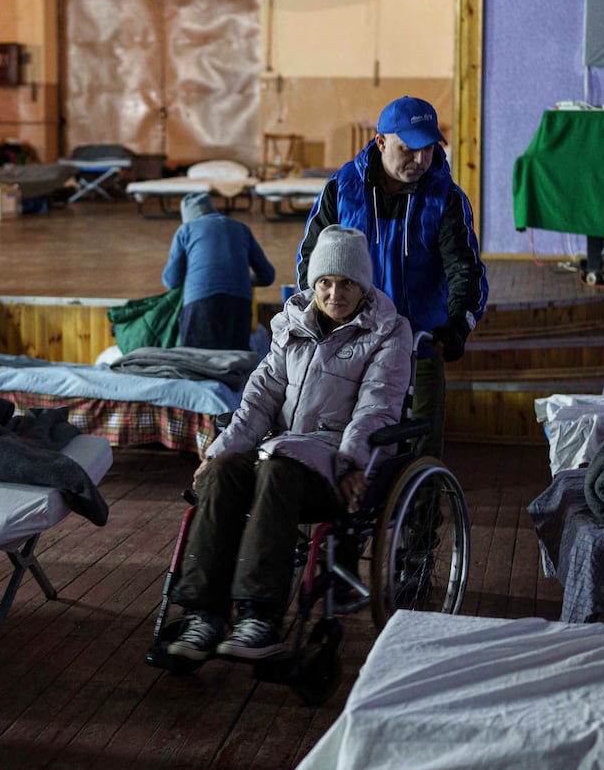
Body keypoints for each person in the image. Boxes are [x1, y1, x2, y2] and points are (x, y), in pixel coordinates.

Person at [165, 226, 412, 662]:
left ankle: (259, 616)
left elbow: (376, 409)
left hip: (334, 464)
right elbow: (258, 400)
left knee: (276, 471)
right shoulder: (290, 327)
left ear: (363, 286)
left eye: (347, 283)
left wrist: (352, 462)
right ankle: (203, 613)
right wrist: (218, 451)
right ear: (313, 285)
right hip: (279, 451)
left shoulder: (388, 333)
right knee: (224, 473)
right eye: (325, 283)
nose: (335, 293)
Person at [296, 96, 486, 459]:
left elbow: (465, 269)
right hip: (352, 342)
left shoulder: (445, 199)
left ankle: (420, 514)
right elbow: (311, 261)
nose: (421, 160)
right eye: (409, 149)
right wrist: (321, 316)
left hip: (420, 344)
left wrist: (458, 323)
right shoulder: (342, 190)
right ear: (381, 142)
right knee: (350, 442)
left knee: (420, 449)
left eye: (428, 150)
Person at [161, 192, 276, 350]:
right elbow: (268, 275)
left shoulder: (186, 229)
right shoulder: (241, 228)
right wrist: (240, 277)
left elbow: (171, 281)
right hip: (240, 306)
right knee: (235, 364)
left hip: (201, 305)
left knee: (197, 364)